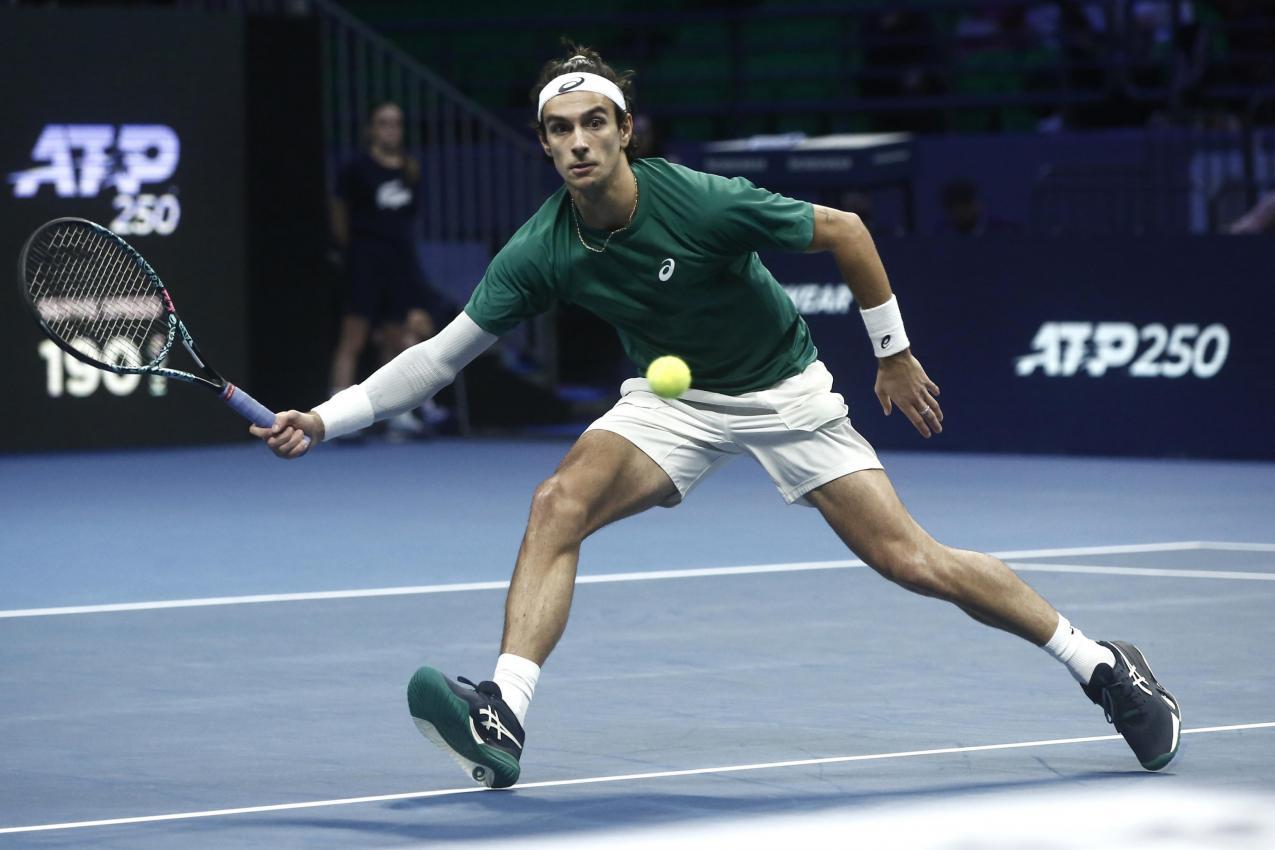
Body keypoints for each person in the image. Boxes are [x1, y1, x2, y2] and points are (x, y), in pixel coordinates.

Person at [252, 45, 1181, 789]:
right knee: (556, 503)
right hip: (673, 405)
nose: (577, 142)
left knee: (910, 560)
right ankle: (504, 710)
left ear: (624, 132)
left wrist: (891, 351)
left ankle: (1100, 664)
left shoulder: (697, 200)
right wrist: (327, 418)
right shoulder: (542, 245)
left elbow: (848, 234)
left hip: (784, 392)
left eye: (593, 124)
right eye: (558, 129)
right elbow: (441, 354)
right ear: (545, 145)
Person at [329, 101, 446, 437]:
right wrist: (352, 249)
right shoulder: (355, 168)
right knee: (354, 336)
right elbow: (339, 210)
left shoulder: (410, 169)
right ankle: (337, 413)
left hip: (399, 262)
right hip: (364, 260)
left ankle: (398, 413)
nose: (390, 129)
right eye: (383, 123)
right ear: (371, 129)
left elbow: (408, 220)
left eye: (396, 123)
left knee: (397, 338)